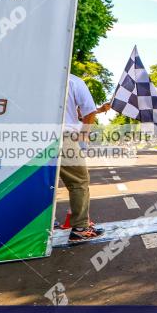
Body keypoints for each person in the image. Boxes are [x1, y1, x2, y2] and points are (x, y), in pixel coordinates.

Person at [61, 73, 110, 243]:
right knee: (79, 181)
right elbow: (88, 111)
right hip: (63, 137)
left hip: (33, 136)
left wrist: (101, 110)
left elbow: (77, 114)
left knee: (40, 182)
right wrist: (83, 138)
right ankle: (81, 228)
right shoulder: (73, 80)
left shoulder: (36, 74)